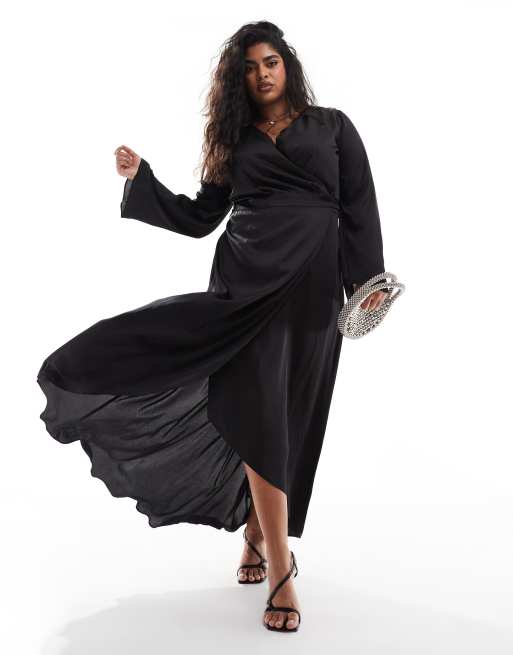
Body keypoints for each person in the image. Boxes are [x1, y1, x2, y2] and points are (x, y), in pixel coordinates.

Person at [37, 20, 387, 633]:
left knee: (291, 417)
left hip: (311, 288)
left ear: (287, 64)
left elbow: (359, 206)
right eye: (249, 67)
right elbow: (202, 217)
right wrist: (142, 181)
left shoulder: (333, 126)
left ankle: (254, 533)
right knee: (258, 412)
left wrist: (368, 284)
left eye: (270, 61)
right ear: (238, 79)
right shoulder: (234, 140)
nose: (262, 74)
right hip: (243, 285)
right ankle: (281, 568)